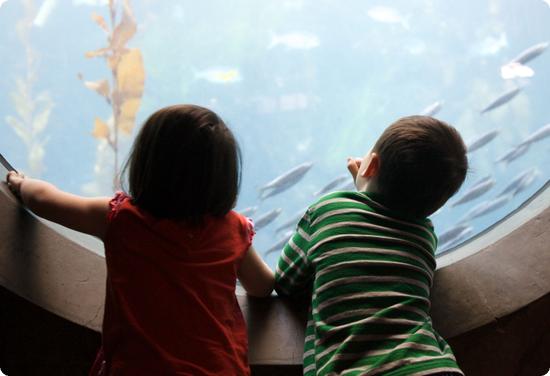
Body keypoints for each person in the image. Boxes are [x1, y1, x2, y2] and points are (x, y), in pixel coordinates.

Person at [6, 104, 275, 375]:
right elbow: (262, 286)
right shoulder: (233, 230)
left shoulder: (121, 219)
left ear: (147, 163)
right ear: (225, 177)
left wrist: (21, 184)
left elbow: (44, 201)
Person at [275, 116, 468, 376]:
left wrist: (363, 188)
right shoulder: (425, 234)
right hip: (433, 366)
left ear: (371, 165)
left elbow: (286, 282)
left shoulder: (328, 210)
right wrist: (369, 183)